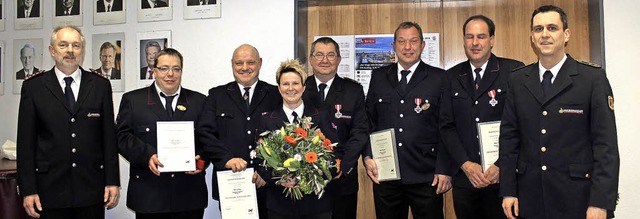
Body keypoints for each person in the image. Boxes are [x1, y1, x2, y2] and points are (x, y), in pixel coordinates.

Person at [500, 5, 619, 219]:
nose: (544, 34)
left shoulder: (591, 79)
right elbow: (509, 140)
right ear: (532, 37)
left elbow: (606, 147)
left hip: (578, 200)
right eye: (538, 29)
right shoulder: (518, 81)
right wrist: (508, 190)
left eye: (552, 28)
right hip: (530, 198)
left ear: (566, 34)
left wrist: (600, 202)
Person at [16, 25, 120, 219]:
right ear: (52, 50)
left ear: (83, 50)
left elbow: (108, 138)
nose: (70, 50)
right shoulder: (33, 87)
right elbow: (25, 143)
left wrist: (112, 181)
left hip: (90, 188)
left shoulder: (100, 85)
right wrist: (28, 190)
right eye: (63, 45)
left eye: (76, 45)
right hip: (49, 190)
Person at [363, 21, 452, 219]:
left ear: (422, 45)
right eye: (401, 41)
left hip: (427, 176)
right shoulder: (378, 77)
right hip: (386, 176)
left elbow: (446, 127)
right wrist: (368, 156)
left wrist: (445, 169)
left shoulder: (439, 78)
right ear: (394, 46)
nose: (407, 47)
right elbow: (369, 120)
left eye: (413, 41)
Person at [439, 15, 523, 219]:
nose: (475, 43)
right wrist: (465, 165)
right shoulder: (450, 77)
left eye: (481, 36)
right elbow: (446, 126)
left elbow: (523, 124)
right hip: (466, 178)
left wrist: (501, 165)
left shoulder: (514, 71)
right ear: (464, 40)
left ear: (492, 40)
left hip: (504, 178)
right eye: (470, 37)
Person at [116, 48, 208, 219]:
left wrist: (201, 161)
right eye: (164, 68)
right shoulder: (134, 100)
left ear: (181, 71)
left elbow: (209, 139)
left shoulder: (200, 101)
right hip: (149, 196)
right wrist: (147, 155)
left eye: (176, 68)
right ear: (154, 71)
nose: (170, 74)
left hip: (189, 196)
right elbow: (121, 137)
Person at [198, 44, 281, 219]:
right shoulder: (216, 95)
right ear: (232, 65)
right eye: (239, 63)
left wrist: (267, 172)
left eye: (250, 62)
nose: (245, 68)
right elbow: (205, 133)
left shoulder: (276, 94)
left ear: (260, 63)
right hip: (232, 184)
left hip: (268, 185)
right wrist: (226, 159)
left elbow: (286, 135)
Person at [258, 59, 336, 219]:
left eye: (296, 83)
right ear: (279, 88)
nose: (291, 89)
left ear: (304, 87)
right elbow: (260, 160)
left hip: (316, 206)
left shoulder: (321, 117)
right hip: (279, 206)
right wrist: (280, 180)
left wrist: (320, 172)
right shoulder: (267, 120)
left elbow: (335, 153)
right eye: (285, 84)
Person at [302, 37, 369, 219]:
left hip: (343, 179)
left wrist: (344, 164)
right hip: (306, 177)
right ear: (311, 59)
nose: (325, 60)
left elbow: (360, 131)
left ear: (339, 59)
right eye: (320, 55)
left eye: (331, 55)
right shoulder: (299, 89)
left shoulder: (353, 90)